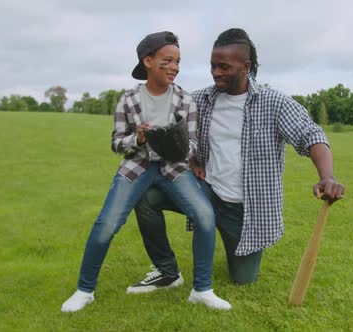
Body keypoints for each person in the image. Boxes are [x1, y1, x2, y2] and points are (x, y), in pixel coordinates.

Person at [129, 28, 345, 288]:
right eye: (212, 66)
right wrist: (193, 159)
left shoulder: (274, 103)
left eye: (224, 67)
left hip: (245, 210)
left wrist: (327, 176)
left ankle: (233, 249)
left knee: (243, 279)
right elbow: (176, 133)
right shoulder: (201, 100)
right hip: (206, 194)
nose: (216, 72)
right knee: (144, 195)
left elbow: (311, 135)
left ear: (246, 66)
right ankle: (167, 270)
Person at [61, 31, 231, 313]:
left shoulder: (186, 100)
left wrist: (174, 144)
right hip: (135, 168)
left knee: (204, 215)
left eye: (178, 61)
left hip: (173, 168)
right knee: (106, 224)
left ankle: (202, 290)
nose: (175, 67)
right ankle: (84, 290)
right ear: (148, 61)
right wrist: (138, 139)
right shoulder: (128, 100)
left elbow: (192, 144)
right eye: (167, 60)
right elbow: (116, 143)